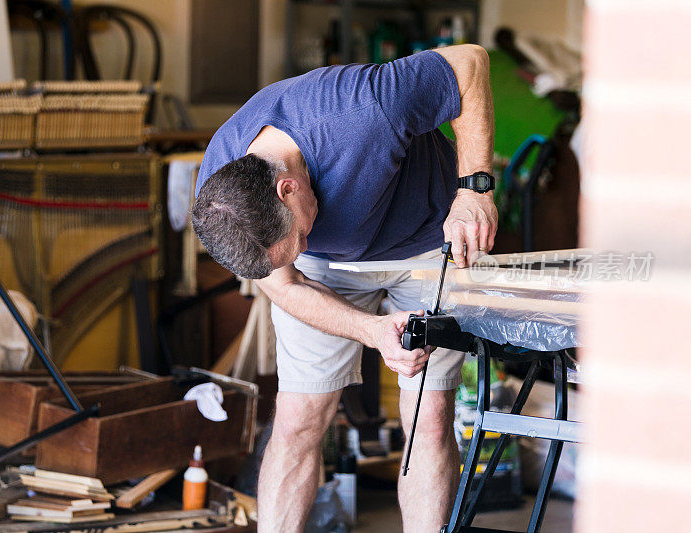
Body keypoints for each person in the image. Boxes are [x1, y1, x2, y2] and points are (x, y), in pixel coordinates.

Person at [192, 44, 497, 532]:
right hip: (327, 272)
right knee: (297, 421)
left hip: (427, 239)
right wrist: (372, 331)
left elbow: (469, 63)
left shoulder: (362, 108)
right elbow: (290, 284)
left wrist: (474, 189)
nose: (302, 245)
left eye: (299, 237)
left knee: (428, 415)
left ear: (287, 189)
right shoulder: (222, 197)